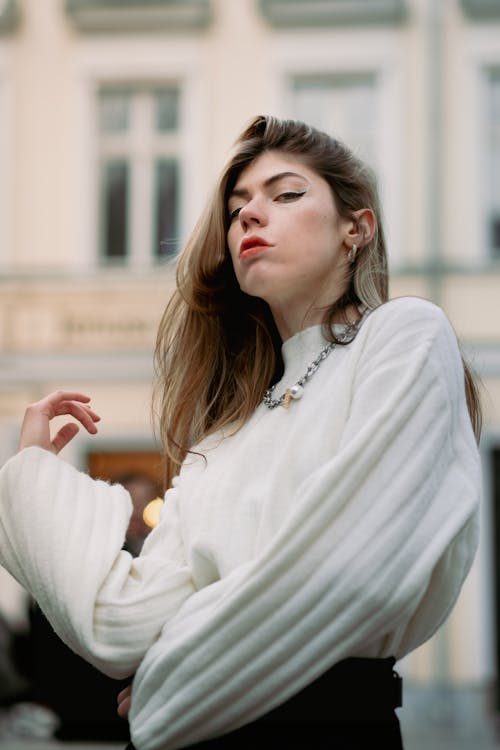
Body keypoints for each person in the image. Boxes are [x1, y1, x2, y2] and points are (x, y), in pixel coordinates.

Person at [0, 115, 482, 750]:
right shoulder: (225, 435)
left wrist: (168, 684)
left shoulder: (404, 339)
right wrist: (31, 477)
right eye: (236, 209)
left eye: (285, 195)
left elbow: (347, 575)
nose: (251, 217)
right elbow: (117, 624)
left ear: (355, 229)